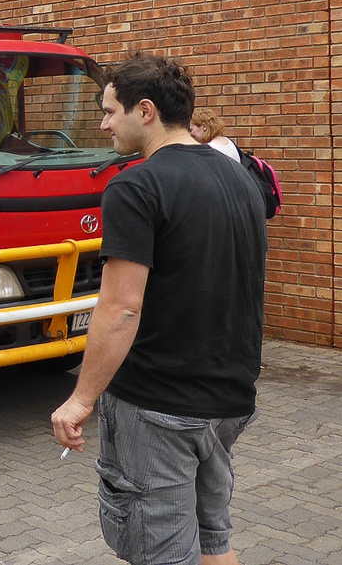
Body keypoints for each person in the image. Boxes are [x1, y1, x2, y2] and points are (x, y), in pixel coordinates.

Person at [51, 55, 267, 565]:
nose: (103, 124)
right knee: (214, 540)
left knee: (162, 552)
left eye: (109, 111)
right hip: (228, 401)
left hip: (159, 407)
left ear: (144, 111)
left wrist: (82, 400)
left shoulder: (135, 186)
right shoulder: (240, 178)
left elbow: (122, 306)